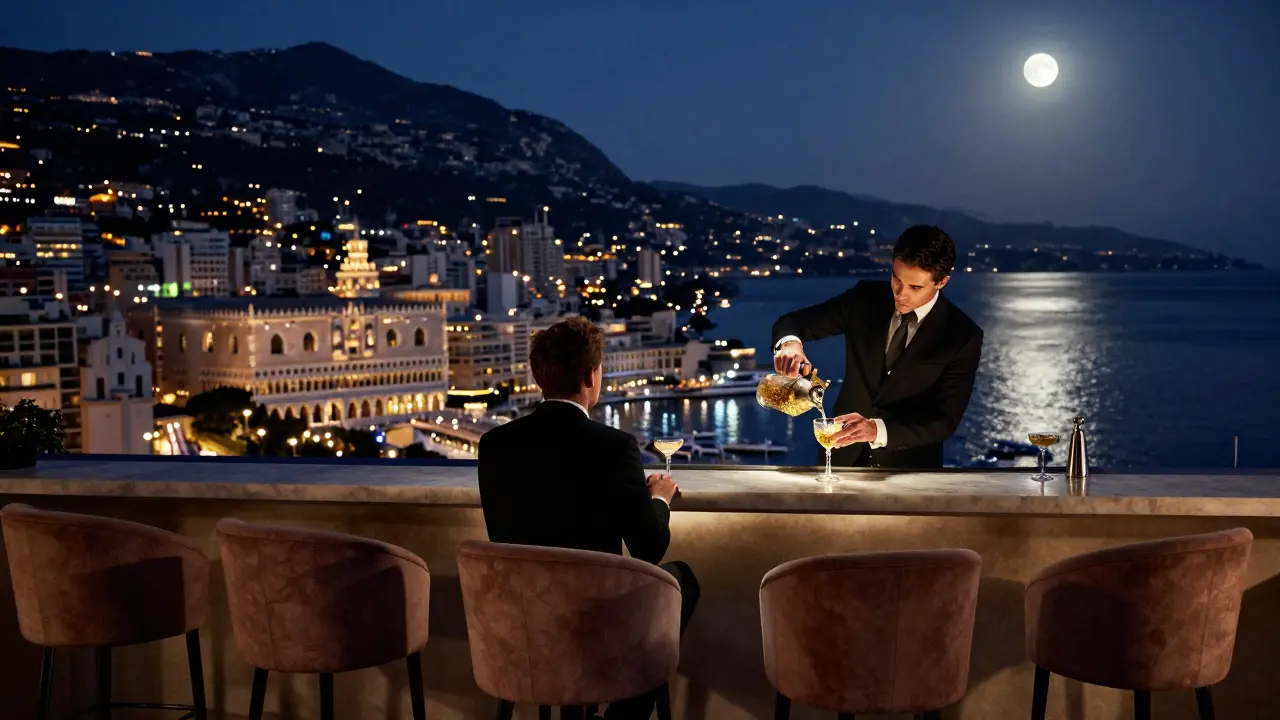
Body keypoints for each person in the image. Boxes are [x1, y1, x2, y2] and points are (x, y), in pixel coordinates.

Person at [478, 315, 699, 720]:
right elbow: (648, 548)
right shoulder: (613, 447)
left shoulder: (495, 445)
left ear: (539, 376)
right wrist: (660, 499)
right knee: (682, 579)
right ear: (591, 376)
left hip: (521, 628)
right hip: (593, 626)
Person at [771, 225, 983, 468]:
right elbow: (793, 322)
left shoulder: (962, 335)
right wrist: (789, 345)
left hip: (909, 472)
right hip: (841, 458)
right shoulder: (864, 299)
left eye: (915, 287)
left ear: (942, 281)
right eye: (896, 278)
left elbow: (944, 420)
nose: (901, 294)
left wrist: (876, 430)